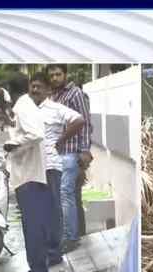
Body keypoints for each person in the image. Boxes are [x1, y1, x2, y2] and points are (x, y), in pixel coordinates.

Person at [28, 71, 86, 268]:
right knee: (39, 212)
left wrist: (62, 140)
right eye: (33, 86)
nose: (35, 90)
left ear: (47, 90)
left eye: (39, 87)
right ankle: (46, 252)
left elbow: (79, 120)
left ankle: (55, 254)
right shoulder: (27, 110)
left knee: (53, 210)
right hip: (33, 167)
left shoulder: (55, 108)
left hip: (51, 166)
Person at [1, 72, 50, 272]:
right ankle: (38, 268)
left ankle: (38, 270)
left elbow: (36, 134)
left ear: (11, 89)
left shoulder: (23, 107)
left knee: (33, 226)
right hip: (29, 174)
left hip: (29, 176)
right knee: (34, 224)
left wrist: (13, 144)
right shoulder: (26, 106)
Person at [47, 64, 93, 252]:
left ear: (66, 75)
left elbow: (86, 122)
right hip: (57, 154)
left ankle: (71, 237)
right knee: (69, 195)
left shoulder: (75, 94)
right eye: (51, 75)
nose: (55, 78)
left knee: (66, 194)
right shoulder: (53, 96)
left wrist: (84, 151)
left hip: (72, 151)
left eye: (58, 74)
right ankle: (74, 235)